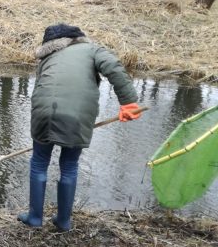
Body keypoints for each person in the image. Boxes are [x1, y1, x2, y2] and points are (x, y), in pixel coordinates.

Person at [19, 24, 142, 232]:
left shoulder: (47, 58)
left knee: (39, 162)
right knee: (69, 164)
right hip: (77, 115)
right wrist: (128, 103)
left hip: (43, 111)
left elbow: (42, 86)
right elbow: (113, 66)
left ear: (51, 44)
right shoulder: (92, 50)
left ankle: (34, 218)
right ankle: (63, 221)